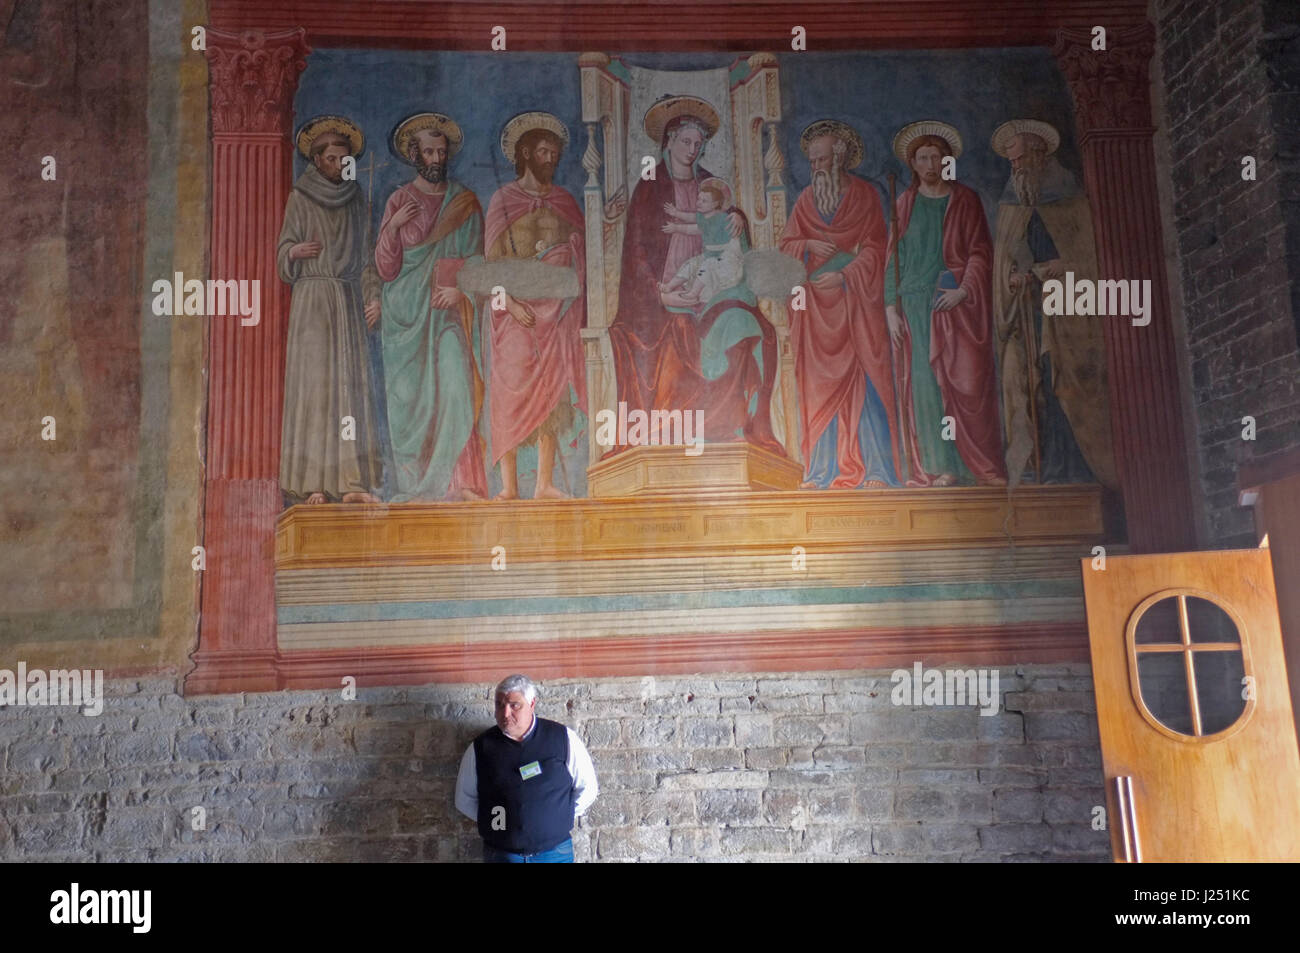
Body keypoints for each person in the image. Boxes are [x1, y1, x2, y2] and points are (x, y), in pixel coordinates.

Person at [606, 95, 783, 453]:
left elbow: (732, 244)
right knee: (674, 330)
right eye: (685, 141)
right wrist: (660, 293)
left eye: (698, 144)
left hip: (712, 287)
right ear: (669, 140)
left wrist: (740, 219)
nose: (692, 149)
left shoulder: (711, 186)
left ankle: (731, 426)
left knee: (745, 326)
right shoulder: (649, 186)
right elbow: (636, 250)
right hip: (664, 292)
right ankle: (667, 434)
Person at [990, 119, 1116, 489]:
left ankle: (1072, 468)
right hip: (1027, 312)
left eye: (1021, 160)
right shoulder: (1011, 207)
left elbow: (1090, 260)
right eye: (1012, 163)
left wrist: (1061, 268)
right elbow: (1004, 266)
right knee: (1027, 386)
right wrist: (1013, 279)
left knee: (1065, 385)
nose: (1016, 169)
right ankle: (1037, 468)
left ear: (1039, 155)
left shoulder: (1070, 201)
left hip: (1066, 312)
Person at [779, 120, 901, 489]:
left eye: (821, 158)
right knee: (819, 390)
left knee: (866, 382)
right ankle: (821, 471)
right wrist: (808, 246)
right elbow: (785, 249)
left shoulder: (865, 196)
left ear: (840, 157)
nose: (815, 166)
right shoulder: (804, 200)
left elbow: (877, 249)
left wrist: (846, 275)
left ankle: (877, 470)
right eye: (811, 160)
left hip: (856, 307)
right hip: (816, 312)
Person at [885, 121, 1006, 487]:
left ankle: (974, 463)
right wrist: (890, 309)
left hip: (953, 305)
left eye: (935, 157)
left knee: (961, 384)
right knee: (923, 385)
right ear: (913, 163)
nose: (929, 164)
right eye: (922, 158)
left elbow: (980, 253)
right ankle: (941, 466)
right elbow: (893, 260)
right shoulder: (904, 203)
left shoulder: (964, 200)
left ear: (946, 161)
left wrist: (964, 291)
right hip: (914, 306)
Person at [375, 112, 489, 502]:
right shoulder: (399, 200)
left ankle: (461, 480)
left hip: (448, 315)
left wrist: (462, 293)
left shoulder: (465, 203)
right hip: (405, 317)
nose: (437, 158)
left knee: (457, 380)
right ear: (415, 155)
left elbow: (478, 262)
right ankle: (417, 487)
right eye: (429, 151)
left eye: (442, 151)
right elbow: (387, 268)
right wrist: (392, 227)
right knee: (409, 401)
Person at [277, 115, 383, 505]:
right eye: (333, 158)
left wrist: (374, 297)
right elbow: (281, 255)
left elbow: (368, 258)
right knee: (317, 392)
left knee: (349, 390)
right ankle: (314, 484)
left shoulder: (356, 200)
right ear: (317, 159)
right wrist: (294, 251)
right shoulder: (301, 197)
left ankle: (351, 482)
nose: (341, 164)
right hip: (313, 302)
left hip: (347, 299)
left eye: (345, 158)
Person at [482, 112, 588, 500]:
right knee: (509, 391)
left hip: (554, 312)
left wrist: (572, 248)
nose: (550, 159)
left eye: (555, 153)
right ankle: (509, 486)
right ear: (525, 154)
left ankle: (543, 484)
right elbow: (487, 268)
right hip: (515, 312)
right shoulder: (503, 200)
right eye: (542, 151)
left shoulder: (563, 201)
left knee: (552, 393)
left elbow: (588, 252)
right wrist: (508, 303)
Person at [455, 674, 598, 863]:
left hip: (554, 854)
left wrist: (556, 817)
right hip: (502, 855)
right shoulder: (481, 748)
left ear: (532, 704)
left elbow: (588, 789)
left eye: (514, 705)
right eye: (499, 705)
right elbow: (464, 799)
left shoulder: (562, 739)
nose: (505, 713)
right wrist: (500, 827)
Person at [659, 177, 743, 309]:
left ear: (715, 204)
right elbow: (692, 222)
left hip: (725, 259)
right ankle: (669, 286)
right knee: (691, 264)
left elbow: (736, 239)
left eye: (704, 201)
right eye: (699, 199)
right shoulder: (703, 217)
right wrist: (676, 216)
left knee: (707, 265)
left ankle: (693, 294)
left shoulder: (723, 219)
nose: (699, 202)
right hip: (710, 255)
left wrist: (676, 227)